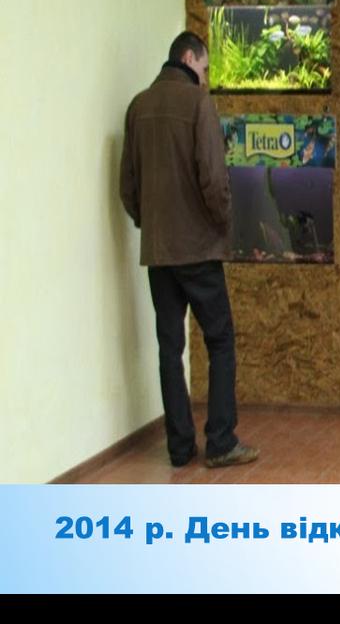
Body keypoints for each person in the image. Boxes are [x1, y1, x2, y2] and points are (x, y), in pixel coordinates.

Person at [119, 31, 258, 469]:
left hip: (158, 253)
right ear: (188, 57)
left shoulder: (138, 107)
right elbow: (213, 179)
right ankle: (220, 442)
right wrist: (223, 224)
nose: (206, 76)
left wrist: (150, 224)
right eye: (205, 67)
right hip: (198, 249)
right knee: (220, 341)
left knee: (169, 349)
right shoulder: (199, 104)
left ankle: (179, 448)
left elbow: (127, 187)